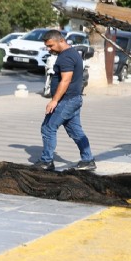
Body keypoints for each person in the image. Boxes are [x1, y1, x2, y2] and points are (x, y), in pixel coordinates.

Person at [34, 30, 95, 171]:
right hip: (74, 99)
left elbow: (65, 80)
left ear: (61, 40)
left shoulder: (66, 57)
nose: (49, 49)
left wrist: (54, 101)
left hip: (66, 100)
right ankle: (88, 160)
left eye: (51, 46)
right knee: (76, 131)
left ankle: (46, 162)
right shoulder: (72, 53)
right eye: (47, 47)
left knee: (48, 128)